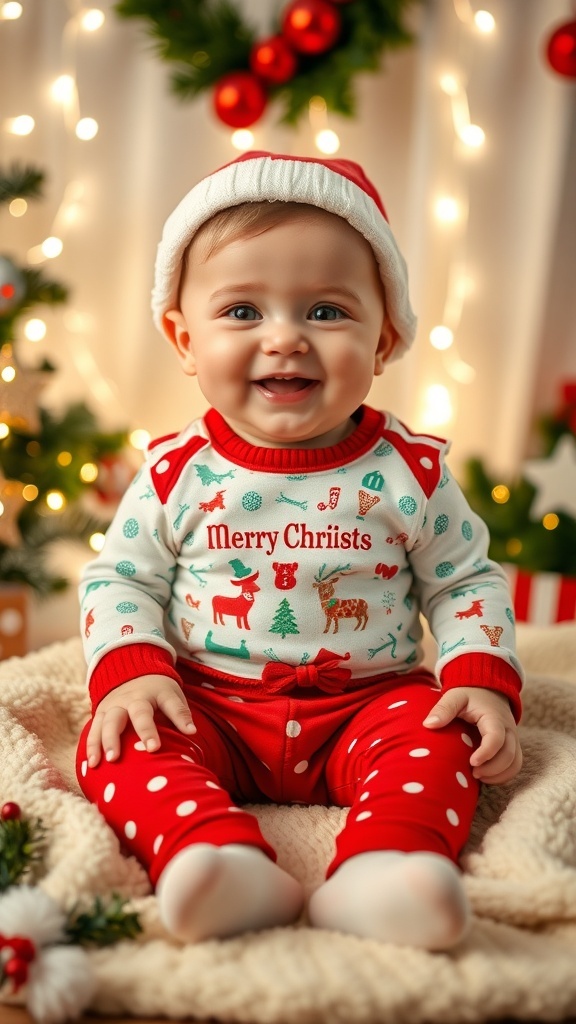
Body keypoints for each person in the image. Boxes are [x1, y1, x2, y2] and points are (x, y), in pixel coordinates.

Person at [76, 151, 523, 951]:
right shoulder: (178, 471)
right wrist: (135, 668)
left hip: (366, 706)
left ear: (383, 340)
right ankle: (210, 856)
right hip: (209, 703)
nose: (285, 339)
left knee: (439, 731)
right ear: (183, 338)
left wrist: (479, 679)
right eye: (242, 312)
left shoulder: (409, 473)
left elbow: (465, 582)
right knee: (118, 742)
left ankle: (387, 868)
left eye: (325, 312)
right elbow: (122, 578)